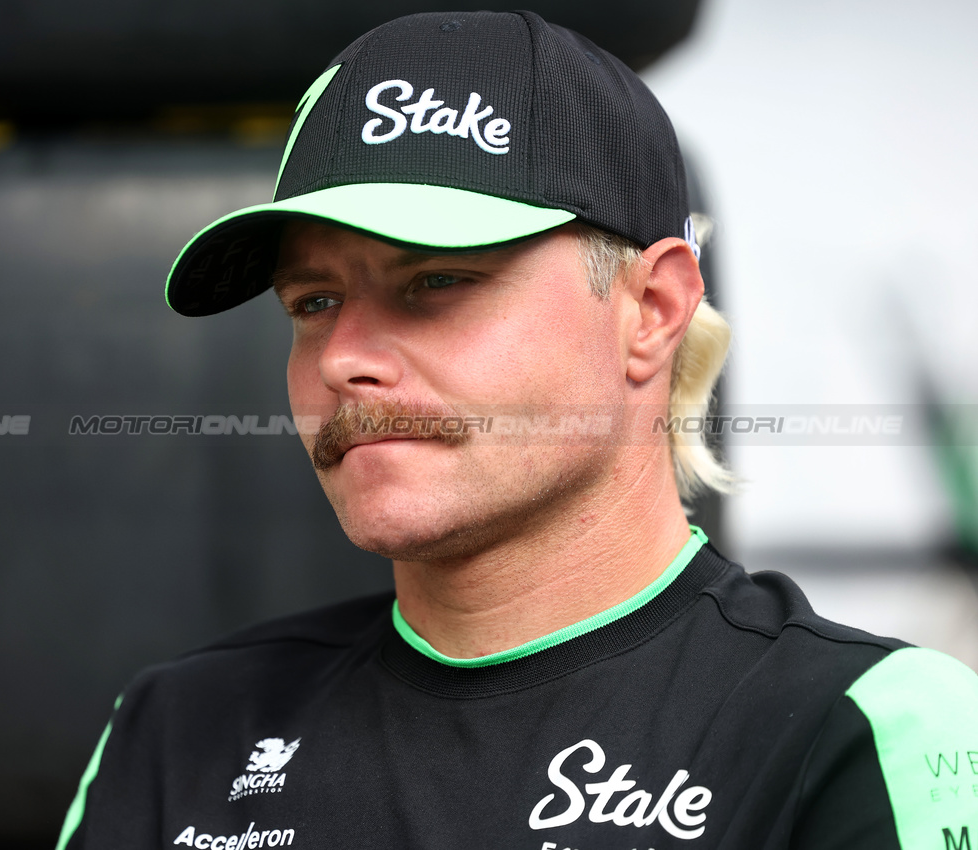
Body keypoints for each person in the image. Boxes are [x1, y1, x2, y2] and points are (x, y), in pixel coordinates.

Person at [58, 11, 978, 849]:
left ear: (651, 309)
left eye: (436, 282)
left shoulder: (862, 727)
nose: (344, 357)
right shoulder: (180, 728)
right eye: (315, 300)